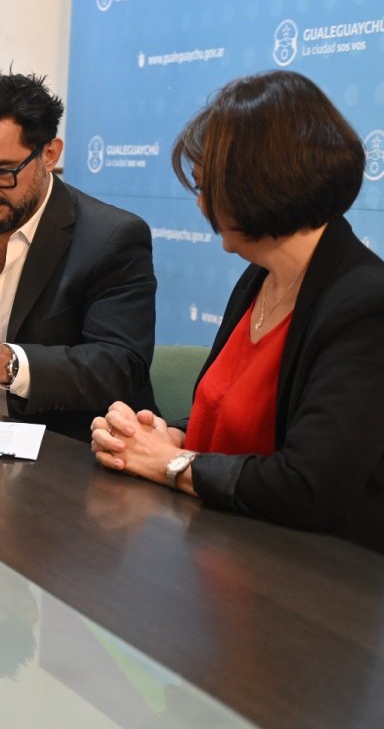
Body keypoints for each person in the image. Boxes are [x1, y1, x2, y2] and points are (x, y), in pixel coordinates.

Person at [91, 70, 384, 553]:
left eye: (205, 186)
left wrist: (168, 463)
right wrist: (162, 436)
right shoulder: (258, 277)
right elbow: (228, 420)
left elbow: (308, 486)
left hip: (309, 574)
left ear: (259, 183)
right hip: (224, 546)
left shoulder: (366, 305)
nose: (201, 205)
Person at [0, 73, 157, 441]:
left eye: (3, 171)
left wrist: (9, 364)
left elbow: (120, 367)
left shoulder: (112, 238)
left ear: (49, 154)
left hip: (67, 452)